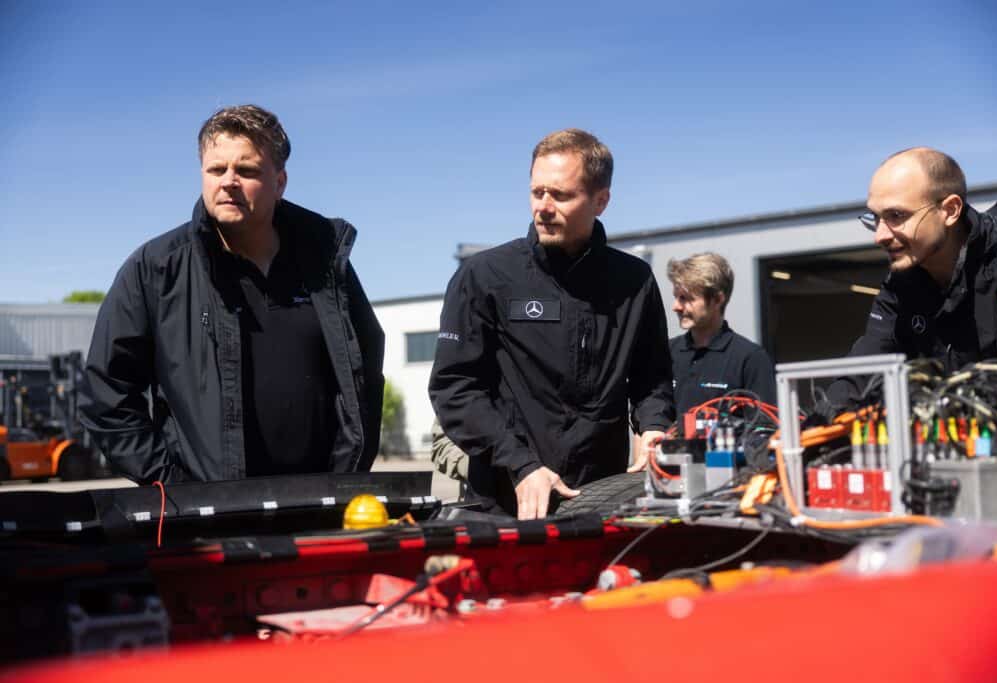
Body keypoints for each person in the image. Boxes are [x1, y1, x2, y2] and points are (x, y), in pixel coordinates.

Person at [81, 105, 384, 483]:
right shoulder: (156, 269)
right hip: (209, 518)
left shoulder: (324, 261)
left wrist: (346, 473)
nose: (228, 181)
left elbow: (364, 374)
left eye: (247, 170)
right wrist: (173, 483)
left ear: (280, 182)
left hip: (320, 505)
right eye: (216, 169)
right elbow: (104, 397)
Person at [429, 128, 675, 519]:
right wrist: (520, 465)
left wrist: (654, 427)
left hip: (601, 500)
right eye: (536, 192)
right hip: (507, 503)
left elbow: (652, 379)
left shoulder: (635, 282)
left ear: (601, 201)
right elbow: (455, 389)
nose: (543, 207)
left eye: (560, 195)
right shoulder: (485, 277)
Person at [827, 147, 997, 408]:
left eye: (896, 216)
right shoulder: (901, 282)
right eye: (875, 218)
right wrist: (811, 427)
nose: (880, 235)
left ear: (950, 210)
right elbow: (863, 372)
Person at [667, 253, 776, 417]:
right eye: (676, 297)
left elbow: (764, 429)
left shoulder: (750, 358)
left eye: (685, 298)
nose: (676, 306)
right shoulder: (666, 353)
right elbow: (647, 419)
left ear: (717, 300)